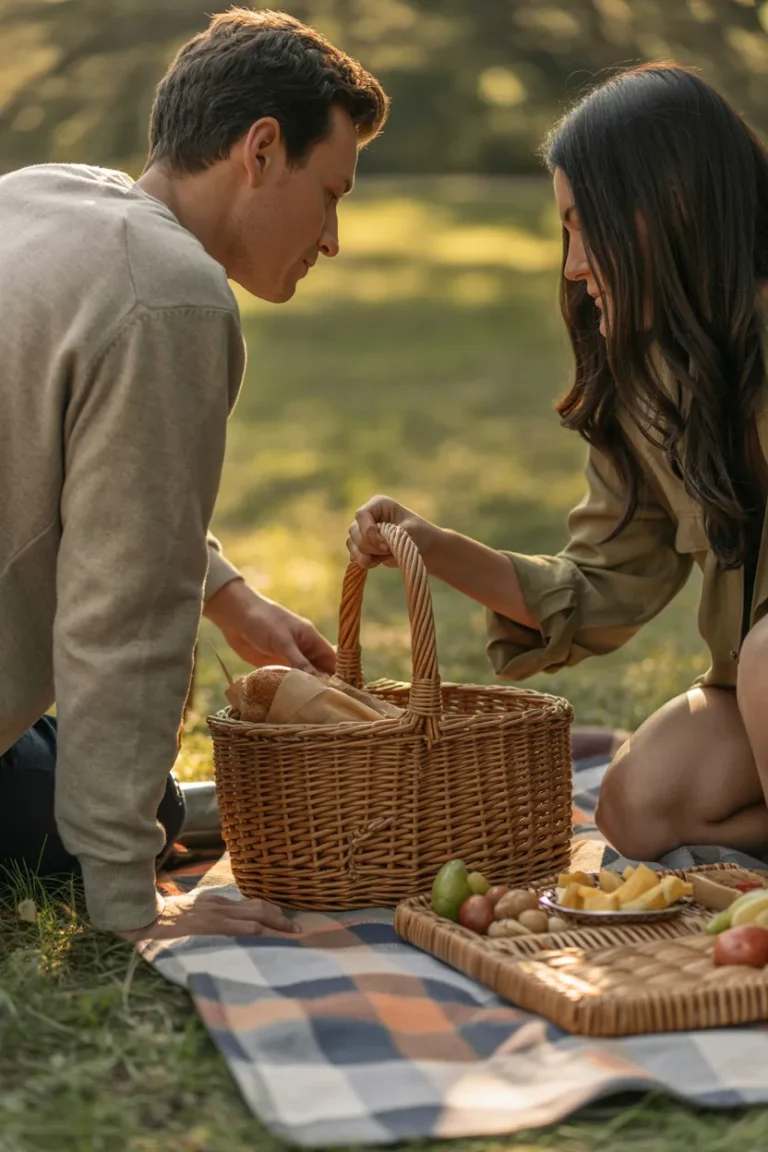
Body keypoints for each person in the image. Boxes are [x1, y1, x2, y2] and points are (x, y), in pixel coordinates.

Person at [0, 8, 388, 940]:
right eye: (330, 192)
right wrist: (140, 907)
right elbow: (124, 614)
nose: (330, 236)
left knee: (116, 796)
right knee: (119, 819)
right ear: (260, 150)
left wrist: (230, 596)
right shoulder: (170, 292)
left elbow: (74, 460)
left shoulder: (40, 196)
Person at [348, 63, 768, 865]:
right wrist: (434, 549)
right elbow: (605, 586)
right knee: (634, 807)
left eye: (586, 226)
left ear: (667, 210)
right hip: (751, 688)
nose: (574, 265)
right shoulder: (654, 380)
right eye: (564, 233)